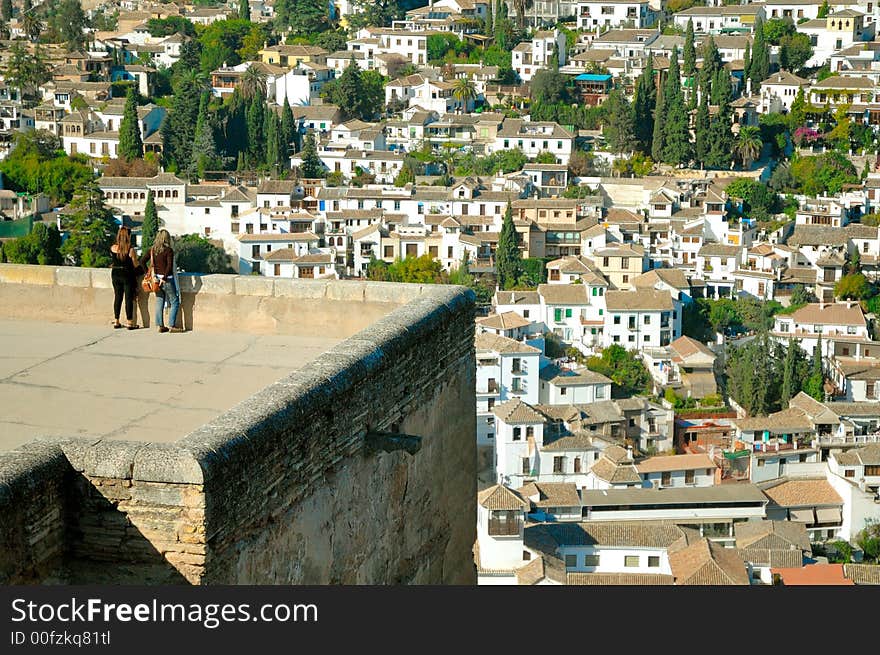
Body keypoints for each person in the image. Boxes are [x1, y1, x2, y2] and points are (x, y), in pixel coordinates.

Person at [143, 229, 181, 333]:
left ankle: (160, 325)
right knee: (175, 301)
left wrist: (149, 274)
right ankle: (172, 325)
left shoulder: (152, 250)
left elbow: (142, 261)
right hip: (167, 280)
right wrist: (164, 278)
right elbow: (169, 266)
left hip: (156, 280)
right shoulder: (168, 250)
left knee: (159, 301)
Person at [110, 226, 139, 330]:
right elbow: (135, 264)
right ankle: (130, 322)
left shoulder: (113, 248)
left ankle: (116, 320)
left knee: (118, 297)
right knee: (128, 298)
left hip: (115, 273)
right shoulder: (130, 250)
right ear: (128, 236)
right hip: (127, 274)